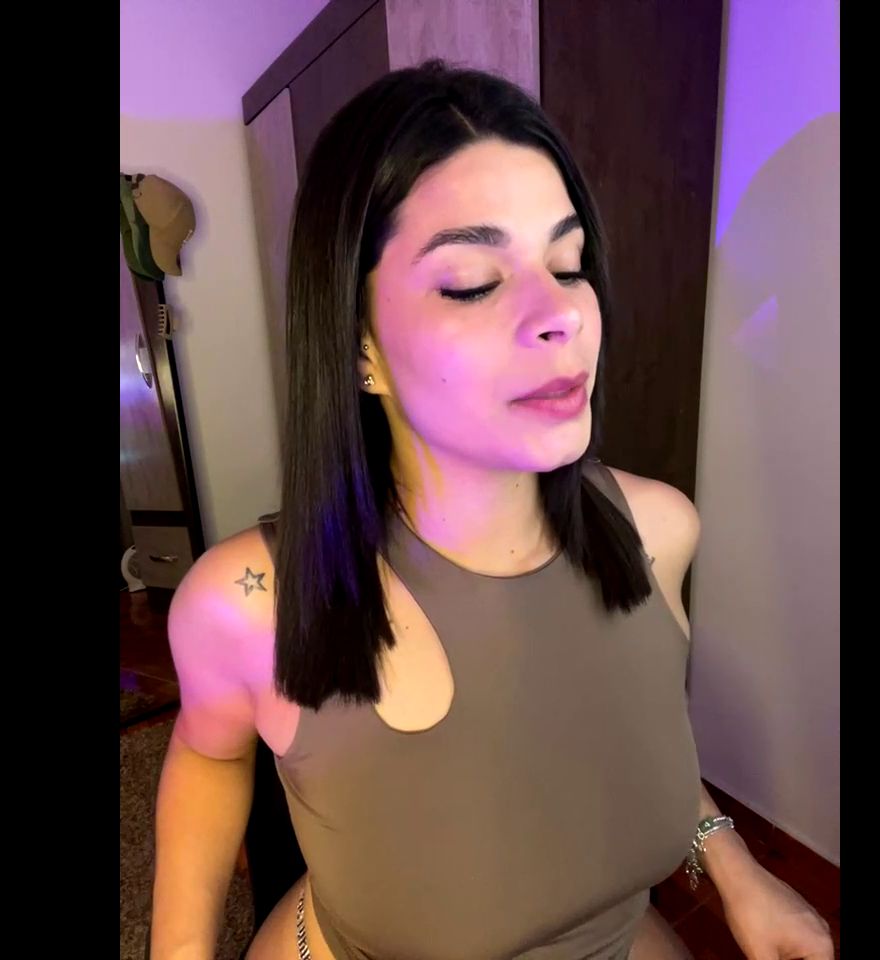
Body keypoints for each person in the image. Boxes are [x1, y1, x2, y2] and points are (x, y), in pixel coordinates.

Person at [149, 60, 834, 960]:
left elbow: (613, 748)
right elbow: (209, 754)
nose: (563, 315)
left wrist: (735, 869)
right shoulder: (249, 605)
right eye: (473, 280)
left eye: (569, 264)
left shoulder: (658, 532)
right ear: (359, 349)